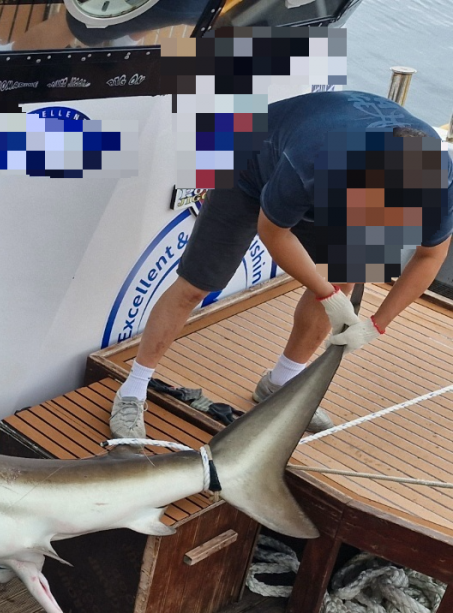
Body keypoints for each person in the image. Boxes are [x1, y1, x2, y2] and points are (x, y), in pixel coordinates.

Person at [110, 90, 452, 441]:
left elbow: (431, 255)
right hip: (251, 157)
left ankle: (281, 383)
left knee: (347, 275)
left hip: (335, 165)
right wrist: (326, 294)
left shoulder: (440, 179)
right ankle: (133, 390)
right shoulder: (312, 160)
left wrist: (377, 325)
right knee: (196, 283)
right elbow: (273, 232)